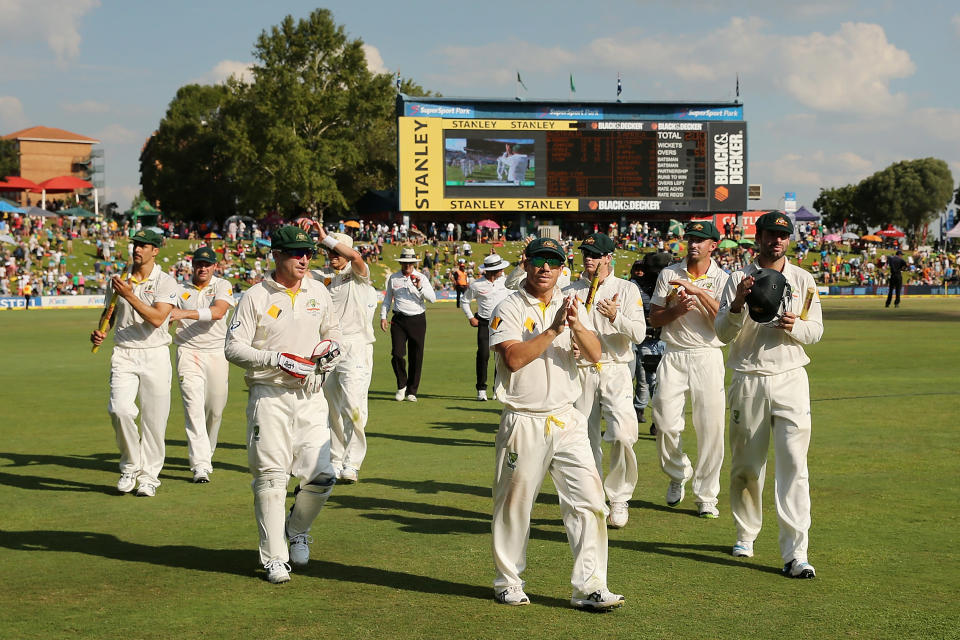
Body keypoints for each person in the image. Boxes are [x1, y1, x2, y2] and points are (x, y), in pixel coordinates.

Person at [489, 237, 624, 610]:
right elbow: (514, 359)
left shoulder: (571, 302)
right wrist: (552, 330)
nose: (545, 268)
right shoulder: (510, 306)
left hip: (567, 417)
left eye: (553, 261)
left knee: (590, 503)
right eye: (539, 260)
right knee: (515, 504)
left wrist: (576, 327)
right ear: (526, 263)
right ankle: (508, 581)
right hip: (524, 419)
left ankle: (590, 586)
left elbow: (597, 355)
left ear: (562, 267)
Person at [224, 225, 343, 584]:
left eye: (308, 253)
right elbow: (233, 347)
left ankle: (297, 529)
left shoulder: (319, 291)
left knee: (323, 476)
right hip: (270, 397)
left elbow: (333, 334)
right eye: (296, 253)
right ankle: (274, 558)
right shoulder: (256, 296)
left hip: (311, 396)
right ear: (276, 254)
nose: (305, 259)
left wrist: (330, 353)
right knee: (272, 479)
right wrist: (276, 359)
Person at [715, 211, 824, 579]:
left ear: (788, 240)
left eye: (783, 234)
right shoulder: (736, 278)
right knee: (747, 465)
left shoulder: (803, 279)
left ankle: (796, 552)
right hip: (748, 377)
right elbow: (721, 334)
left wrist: (798, 327)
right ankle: (746, 533)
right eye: (770, 234)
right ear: (757, 237)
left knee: (794, 464)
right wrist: (737, 304)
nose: (777, 240)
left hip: (792, 377)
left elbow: (816, 331)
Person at [564, 233, 646, 529]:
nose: (589, 258)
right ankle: (593, 496)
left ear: (609, 257)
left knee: (623, 434)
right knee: (583, 438)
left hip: (615, 367)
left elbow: (639, 333)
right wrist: (569, 344)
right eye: (586, 253)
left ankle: (619, 498)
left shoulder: (626, 289)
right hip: (581, 369)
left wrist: (615, 317)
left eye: (595, 254)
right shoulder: (571, 289)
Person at [648, 221, 729, 518]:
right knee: (665, 423)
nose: (693, 244)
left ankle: (707, 495)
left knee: (711, 428)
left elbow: (725, 318)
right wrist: (676, 311)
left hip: (708, 355)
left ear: (713, 246)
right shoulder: (669, 274)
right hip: (674, 354)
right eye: (690, 239)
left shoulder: (722, 277)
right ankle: (678, 471)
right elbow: (655, 319)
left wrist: (697, 292)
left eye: (700, 240)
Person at [89, 228, 178, 497]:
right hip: (124, 352)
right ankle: (130, 466)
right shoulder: (118, 281)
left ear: (155, 250)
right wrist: (100, 330)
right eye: (135, 244)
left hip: (155, 353)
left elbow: (158, 318)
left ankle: (149, 476)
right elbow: (110, 312)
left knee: (154, 420)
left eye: (143, 245)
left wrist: (129, 294)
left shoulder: (166, 281)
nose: (137, 249)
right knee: (120, 410)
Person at [306, 223, 376, 484]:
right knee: (331, 408)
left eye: (336, 251)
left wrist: (327, 238)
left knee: (353, 406)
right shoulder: (322, 276)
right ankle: (335, 460)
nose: (332, 256)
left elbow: (357, 258)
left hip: (356, 347)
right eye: (328, 252)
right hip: (328, 347)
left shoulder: (358, 274)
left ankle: (352, 462)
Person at [168, 246, 236, 484]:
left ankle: (207, 453)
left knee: (214, 411)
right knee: (193, 407)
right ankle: (200, 465)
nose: (203, 268)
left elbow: (218, 312)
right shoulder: (179, 290)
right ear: (192, 265)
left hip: (217, 353)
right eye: (199, 264)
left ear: (215, 266)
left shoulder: (222, 285)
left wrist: (182, 314)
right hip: (187, 352)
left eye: (207, 264)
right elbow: (165, 317)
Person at [380, 247, 437, 402]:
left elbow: (432, 298)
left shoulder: (421, 278)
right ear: (401, 263)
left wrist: (419, 287)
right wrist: (383, 317)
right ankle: (401, 385)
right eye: (405, 263)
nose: (407, 266)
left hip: (417, 319)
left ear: (414, 263)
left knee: (416, 356)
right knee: (397, 354)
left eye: (410, 263)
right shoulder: (394, 278)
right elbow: (387, 299)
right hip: (398, 319)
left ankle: (412, 391)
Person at [461, 253, 512, 401]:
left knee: (501, 357)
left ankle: (498, 388)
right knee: (483, 355)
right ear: (491, 271)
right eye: (499, 269)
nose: (502, 271)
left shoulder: (505, 282)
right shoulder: (476, 285)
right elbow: (465, 301)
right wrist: (470, 316)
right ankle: (481, 389)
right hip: (484, 322)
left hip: (501, 322)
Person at [631, 253, 670, 433]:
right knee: (647, 379)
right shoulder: (635, 287)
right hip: (645, 338)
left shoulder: (668, 284)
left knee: (662, 382)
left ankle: (657, 418)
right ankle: (642, 410)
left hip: (666, 339)